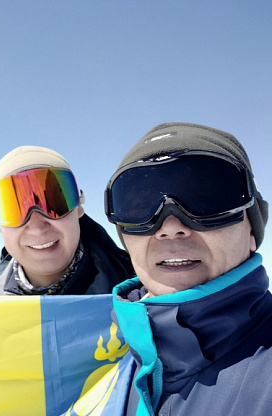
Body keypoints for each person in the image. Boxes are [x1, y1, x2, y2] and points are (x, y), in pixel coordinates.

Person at [92, 122, 270, 415]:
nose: (170, 227)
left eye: (206, 200)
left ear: (252, 229)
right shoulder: (111, 366)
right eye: (141, 208)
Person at [0, 145, 134, 296]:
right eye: (14, 209)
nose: (37, 226)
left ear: (79, 206)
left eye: (54, 202)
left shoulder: (140, 295)